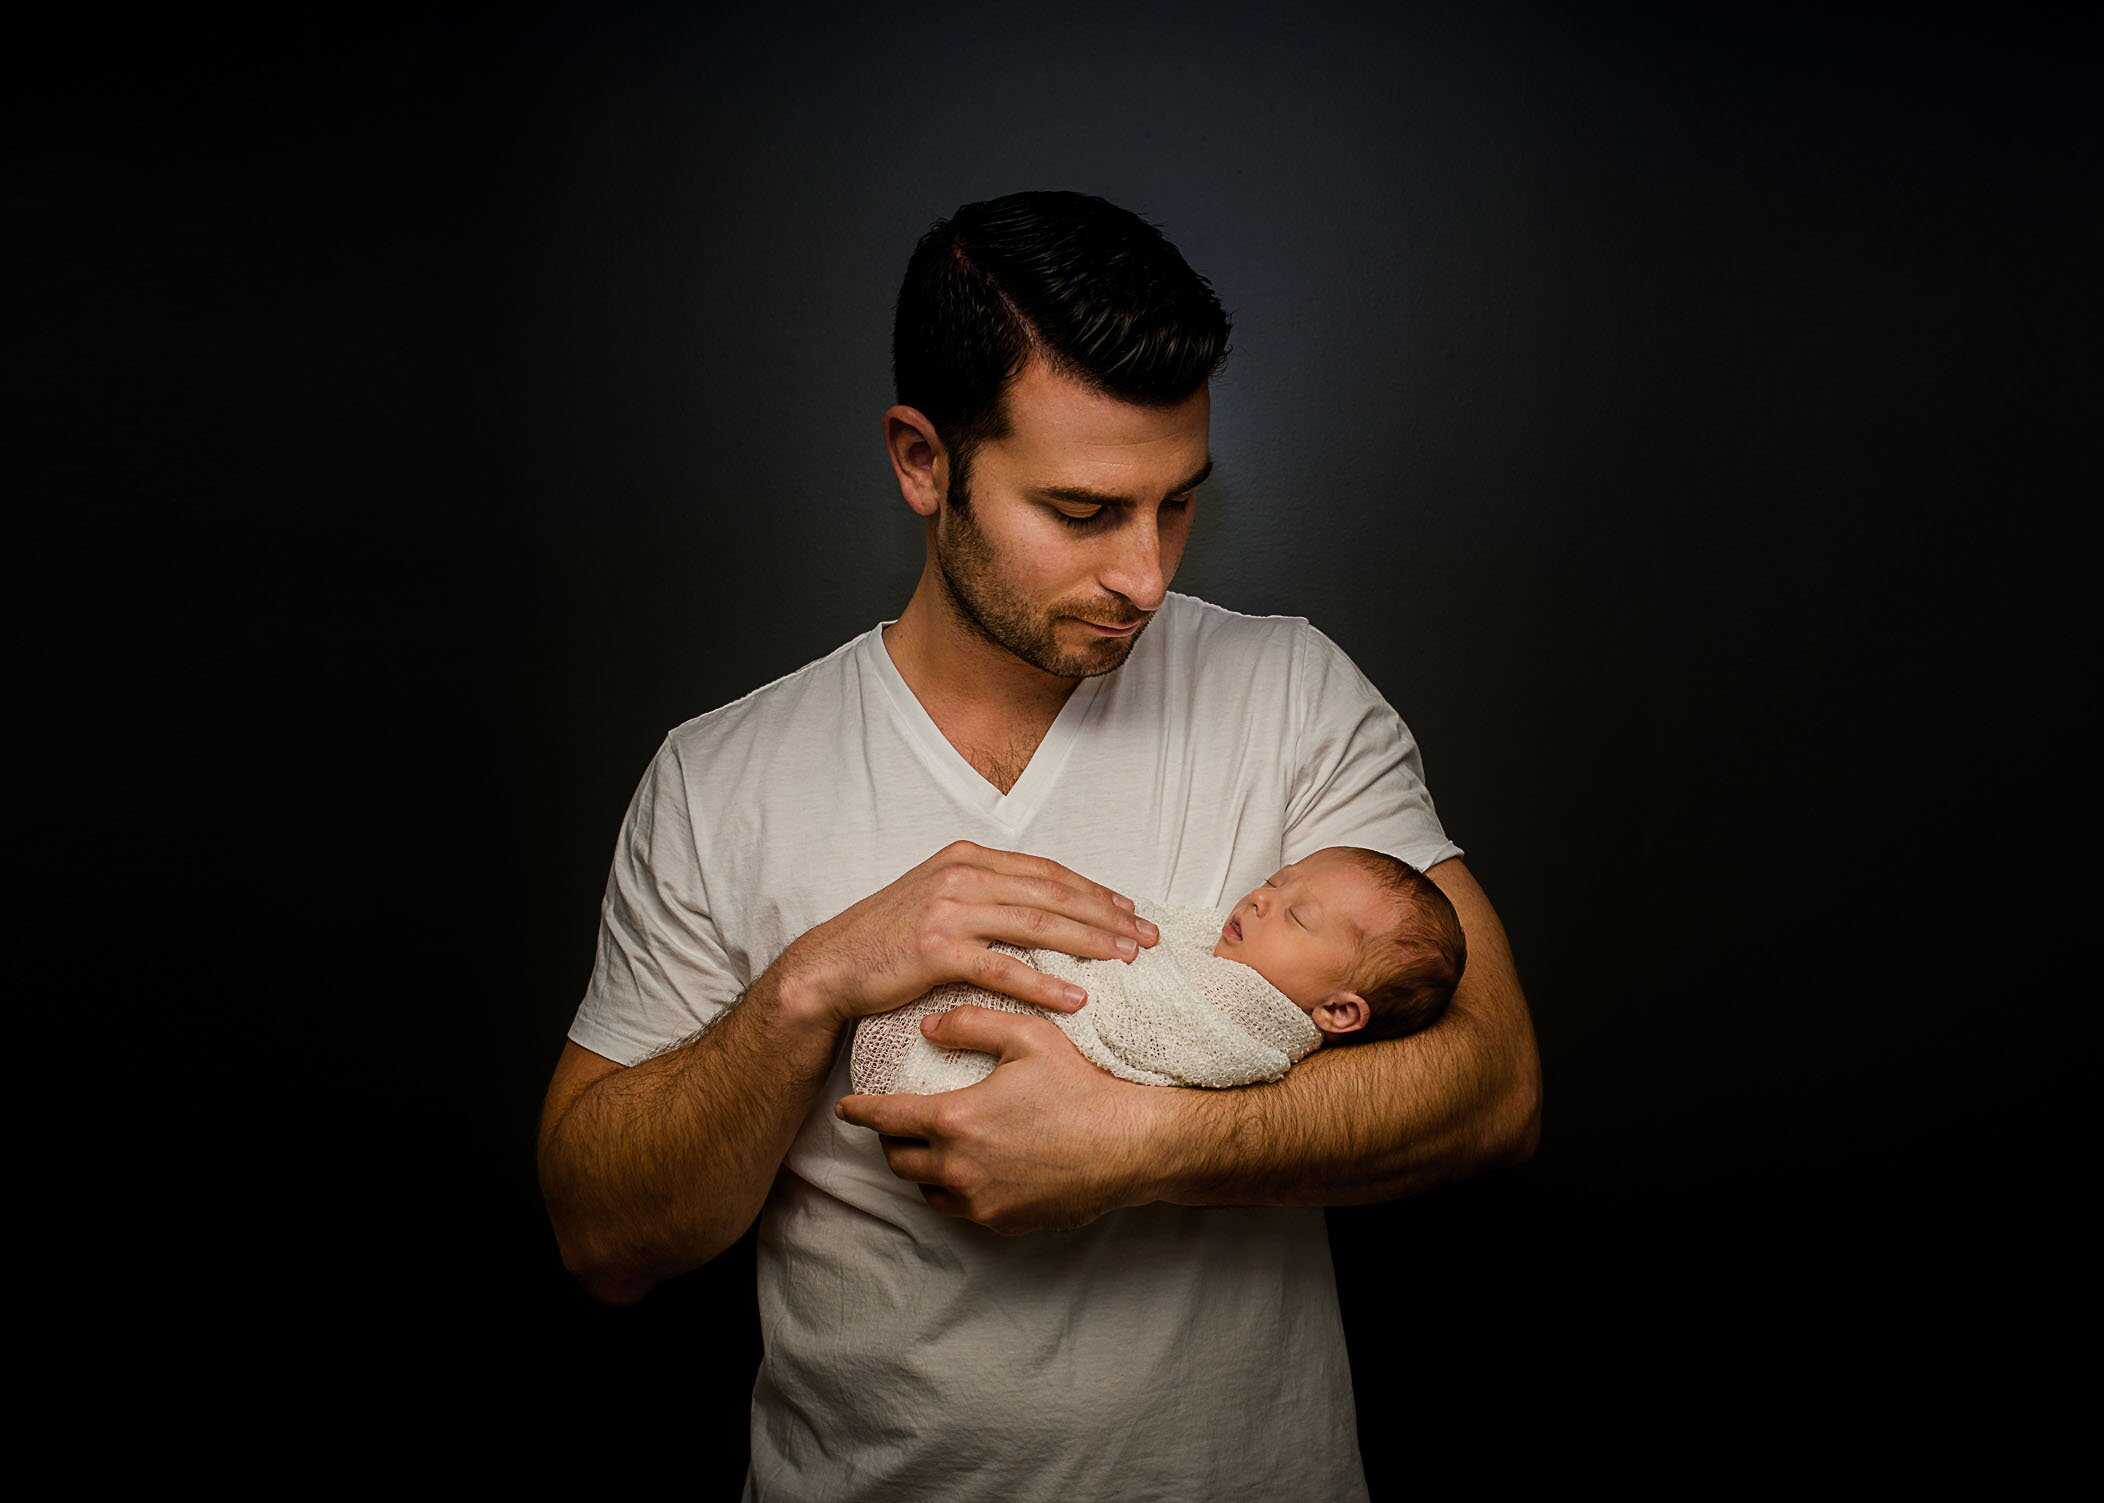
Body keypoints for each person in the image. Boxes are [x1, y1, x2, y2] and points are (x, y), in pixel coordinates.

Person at [536, 188, 1542, 1503]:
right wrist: (814, 981)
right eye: (1083, 512)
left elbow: (1496, 1084)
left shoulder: (1290, 692)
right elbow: (602, 1235)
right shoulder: (719, 776)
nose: (1147, 574)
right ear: (920, 459)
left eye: (1177, 504)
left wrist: (1132, 1142)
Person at [852, 844, 1470, 1095]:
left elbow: (1146, 1019)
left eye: (1297, 917)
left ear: (1338, 1010)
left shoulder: (1247, 1026)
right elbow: (1150, 925)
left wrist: (1078, 960)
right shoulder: (1218, 946)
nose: (1260, 899)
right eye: (1274, 883)